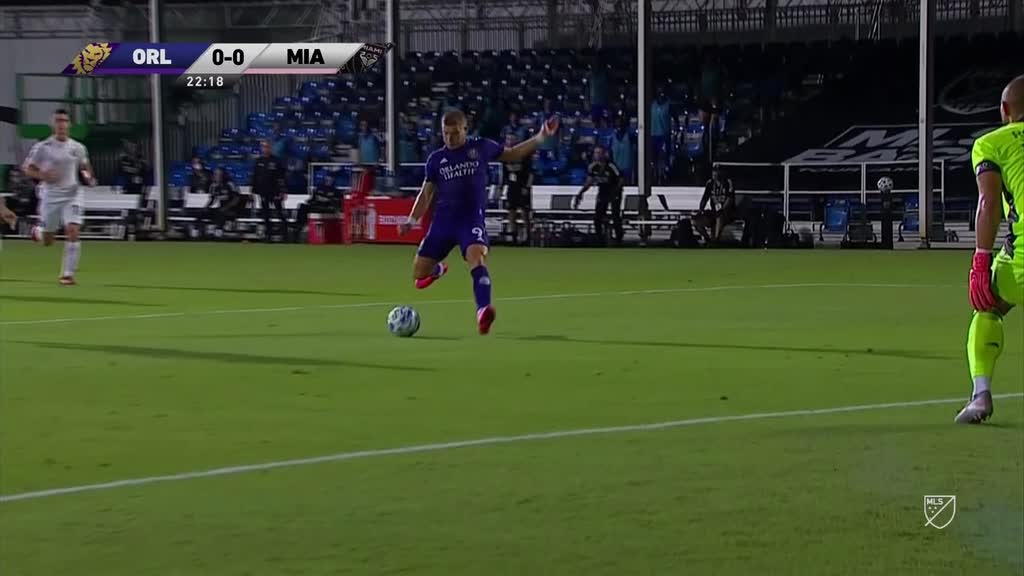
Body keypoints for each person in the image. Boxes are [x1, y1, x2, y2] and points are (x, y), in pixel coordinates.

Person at [399, 109, 559, 335]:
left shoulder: (481, 147)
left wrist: (541, 136)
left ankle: (483, 311)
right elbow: (426, 195)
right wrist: (411, 220)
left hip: (470, 220)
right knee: (418, 274)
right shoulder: (436, 160)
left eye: (455, 133)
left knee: (477, 257)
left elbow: (514, 154)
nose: (450, 138)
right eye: (445, 133)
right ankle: (436, 270)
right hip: (443, 223)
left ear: (465, 129)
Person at [956, 75, 1024, 424]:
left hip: (1021, 260)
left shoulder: (991, 143)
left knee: (988, 306)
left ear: (1005, 109)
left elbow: (989, 203)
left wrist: (980, 263)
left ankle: (980, 395)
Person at [21, 108, 96, 285]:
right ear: (52, 124)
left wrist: (89, 177)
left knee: (73, 230)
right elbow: (27, 168)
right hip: (51, 195)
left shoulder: (78, 147)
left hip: (73, 193)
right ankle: (39, 232)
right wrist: (42, 175)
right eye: (58, 121)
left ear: (69, 124)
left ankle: (67, 275)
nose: (61, 124)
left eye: (64, 121)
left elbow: (84, 167)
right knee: (48, 240)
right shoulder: (43, 147)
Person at [573, 144, 624, 245]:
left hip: (614, 192)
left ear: (604, 154)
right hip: (603, 192)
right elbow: (589, 181)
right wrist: (580, 193)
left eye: (599, 153)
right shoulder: (593, 167)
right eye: (596, 153)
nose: (597, 155)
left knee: (615, 215)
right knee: (597, 217)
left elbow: (621, 179)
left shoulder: (611, 166)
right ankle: (600, 239)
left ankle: (619, 239)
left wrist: (616, 192)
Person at [252, 139, 287, 241]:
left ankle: (285, 233)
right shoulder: (259, 161)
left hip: (275, 191)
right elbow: (255, 177)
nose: (265, 149)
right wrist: (253, 191)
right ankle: (268, 234)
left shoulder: (276, 161)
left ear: (270, 148)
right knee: (265, 214)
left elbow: (281, 177)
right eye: (263, 146)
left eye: (266, 146)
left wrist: (283, 191)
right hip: (263, 191)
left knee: (279, 212)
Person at [502, 132, 534, 245]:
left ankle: (528, 237)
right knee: (511, 210)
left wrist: (527, 187)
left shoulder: (523, 153)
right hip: (512, 186)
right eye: (508, 139)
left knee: (525, 211)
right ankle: (513, 236)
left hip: (522, 185)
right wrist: (503, 186)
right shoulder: (505, 155)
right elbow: (505, 173)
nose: (510, 141)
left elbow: (530, 173)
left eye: (512, 139)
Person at [693, 165, 736, 244]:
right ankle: (708, 240)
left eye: (717, 171)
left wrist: (722, 209)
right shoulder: (710, 183)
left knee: (719, 216)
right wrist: (700, 210)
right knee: (696, 221)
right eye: (714, 171)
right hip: (714, 212)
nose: (715, 173)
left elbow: (730, 199)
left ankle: (715, 241)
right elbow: (704, 198)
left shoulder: (728, 182)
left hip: (726, 213)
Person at [295, 171, 340, 240]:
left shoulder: (335, 191)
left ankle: (305, 227)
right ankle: (300, 226)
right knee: (302, 206)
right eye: (327, 177)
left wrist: (326, 200)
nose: (328, 179)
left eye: (330, 178)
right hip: (317, 206)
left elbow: (337, 201)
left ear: (333, 179)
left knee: (320, 208)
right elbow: (312, 199)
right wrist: (311, 200)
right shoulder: (319, 188)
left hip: (327, 208)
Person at [201, 167, 244, 238]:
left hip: (232, 208)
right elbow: (212, 199)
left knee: (221, 212)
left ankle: (219, 231)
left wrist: (227, 207)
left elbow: (237, 199)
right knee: (202, 212)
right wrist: (206, 207)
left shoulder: (230, 184)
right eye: (215, 174)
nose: (217, 176)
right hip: (220, 208)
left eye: (218, 174)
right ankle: (199, 232)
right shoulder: (213, 186)